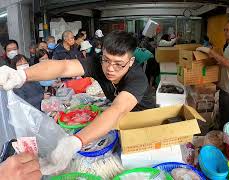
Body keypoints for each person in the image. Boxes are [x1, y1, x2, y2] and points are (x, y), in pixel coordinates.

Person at [0, 31, 155, 174]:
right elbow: (63, 67)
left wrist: (75, 142)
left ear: (131, 61)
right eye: (106, 60)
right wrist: (21, 75)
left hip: (142, 122)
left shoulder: (137, 79)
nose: (110, 69)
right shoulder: (98, 63)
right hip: (116, 122)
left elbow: (117, 110)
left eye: (118, 63)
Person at [197, 18, 229, 129]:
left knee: (227, 118)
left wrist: (211, 52)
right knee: (223, 114)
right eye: (224, 30)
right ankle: (221, 135)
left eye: (227, 30)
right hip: (224, 87)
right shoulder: (228, 45)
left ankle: (226, 141)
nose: (225, 32)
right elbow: (222, 62)